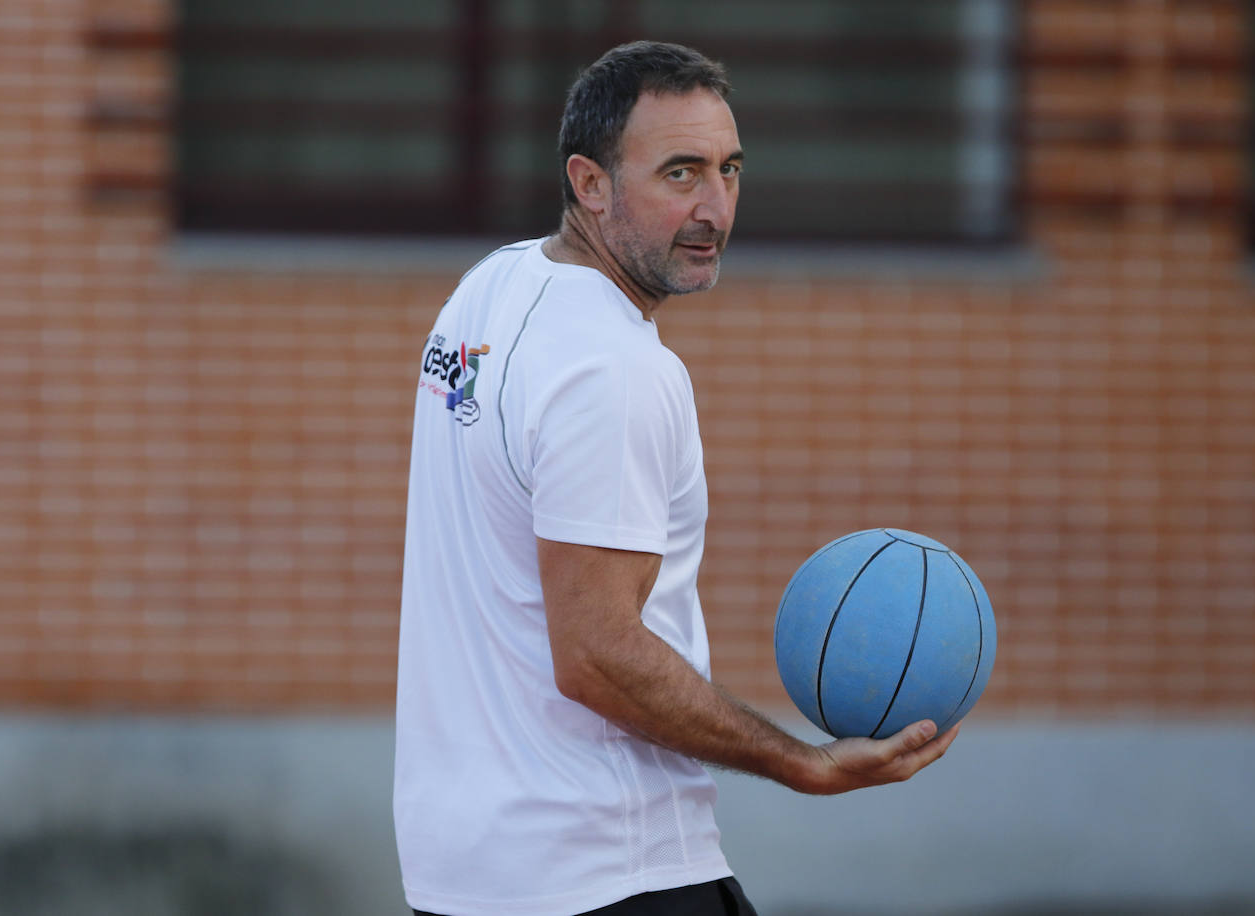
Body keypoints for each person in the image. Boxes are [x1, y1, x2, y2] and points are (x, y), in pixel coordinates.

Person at [394, 40, 959, 916]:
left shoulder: (488, 290)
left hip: (466, 875)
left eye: (729, 170)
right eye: (681, 174)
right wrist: (799, 763)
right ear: (589, 183)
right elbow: (596, 654)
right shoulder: (613, 368)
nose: (715, 209)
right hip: (609, 869)